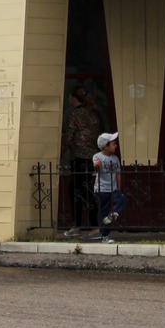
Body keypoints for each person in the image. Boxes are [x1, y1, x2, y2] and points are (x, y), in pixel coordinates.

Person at [60, 85, 101, 237]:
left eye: (70, 97)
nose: (69, 99)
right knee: (83, 189)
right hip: (91, 157)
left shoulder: (74, 115)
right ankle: (86, 225)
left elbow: (69, 136)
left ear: (74, 99)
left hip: (78, 157)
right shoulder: (92, 115)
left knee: (78, 191)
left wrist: (59, 152)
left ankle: (86, 225)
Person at [92, 131, 127, 243]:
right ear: (106, 146)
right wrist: (97, 166)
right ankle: (104, 236)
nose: (115, 145)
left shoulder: (115, 158)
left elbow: (118, 174)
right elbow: (96, 168)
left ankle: (113, 214)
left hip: (113, 188)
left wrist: (118, 189)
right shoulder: (97, 156)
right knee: (103, 211)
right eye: (113, 144)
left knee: (121, 200)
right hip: (102, 189)